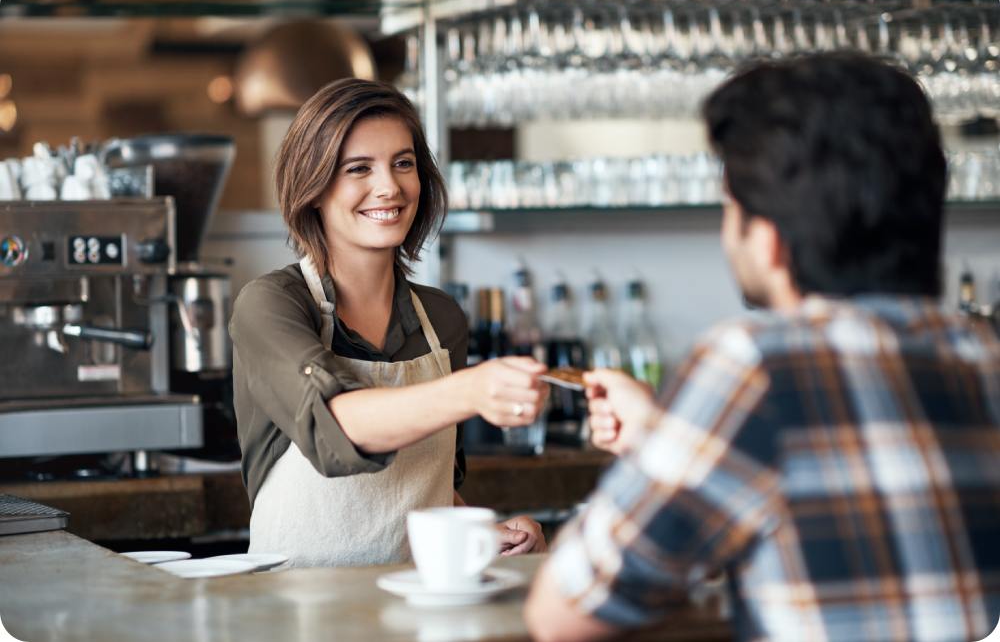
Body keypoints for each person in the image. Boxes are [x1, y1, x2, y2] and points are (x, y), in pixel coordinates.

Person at [525, 53, 1000, 642]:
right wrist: (662, 432)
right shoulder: (979, 354)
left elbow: (565, 610)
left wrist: (661, 447)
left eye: (731, 206)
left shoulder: (755, 366)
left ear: (769, 240)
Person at [229, 78, 549, 569]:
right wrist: (472, 390)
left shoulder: (442, 319)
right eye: (359, 168)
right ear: (313, 188)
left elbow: (426, 492)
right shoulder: (269, 305)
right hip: (297, 614)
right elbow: (335, 428)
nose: (390, 187)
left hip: (420, 607)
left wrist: (491, 534)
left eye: (403, 163)